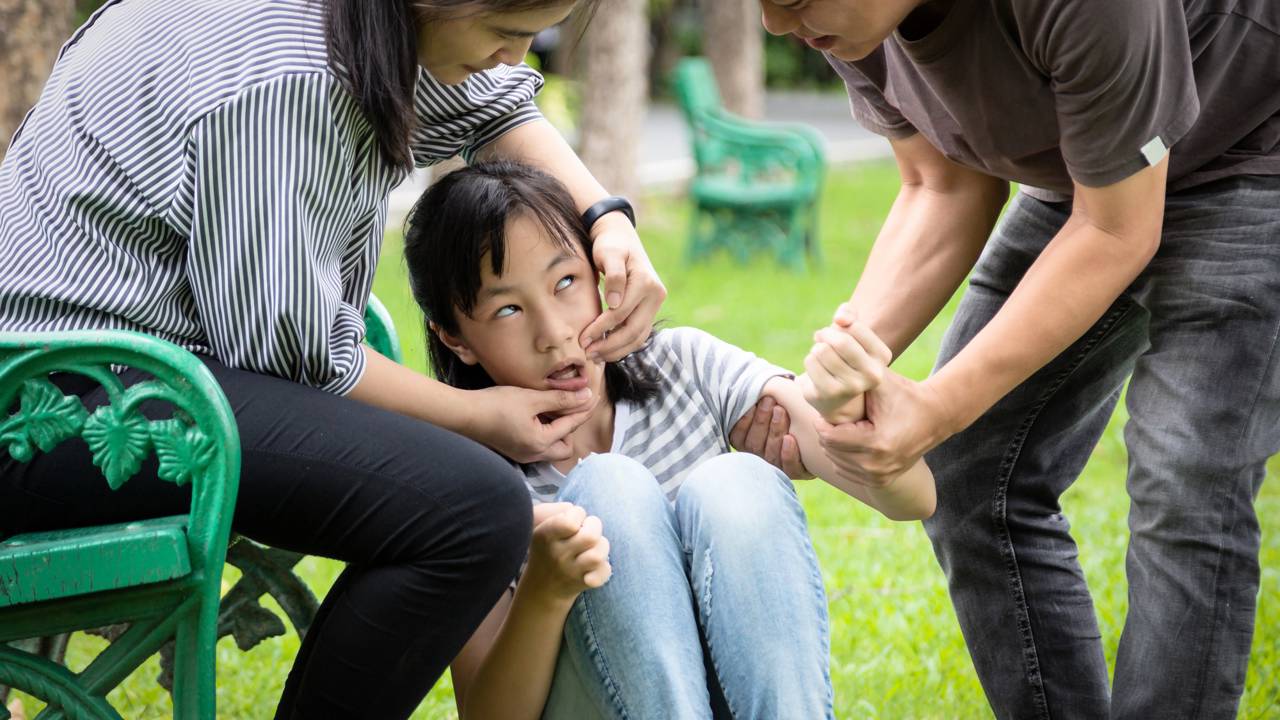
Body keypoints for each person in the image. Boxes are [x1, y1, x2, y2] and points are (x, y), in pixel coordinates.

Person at [0, 0, 674, 716]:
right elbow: (299, 355)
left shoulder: (350, 22)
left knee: (466, 504)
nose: (516, 57)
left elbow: (492, 111)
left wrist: (605, 217)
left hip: (134, 376)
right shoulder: (285, 76)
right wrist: (476, 415)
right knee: (472, 515)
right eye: (506, 34)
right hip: (52, 405)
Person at [758, 0, 1280, 717]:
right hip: (1093, 176)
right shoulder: (846, 17)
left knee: (1186, 478)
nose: (775, 25)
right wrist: (837, 375)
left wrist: (936, 408)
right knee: (969, 470)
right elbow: (941, 184)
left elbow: (1116, 232)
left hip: (1250, 144)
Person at [400, 160, 935, 719]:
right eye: (508, 308)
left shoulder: (684, 366)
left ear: (599, 268)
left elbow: (914, 498)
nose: (554, 332)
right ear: (455, 338)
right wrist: (546, 589)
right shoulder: (468, 474)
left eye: (566, 282)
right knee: (609, 488)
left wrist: (842, 406)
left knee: (738, 479)